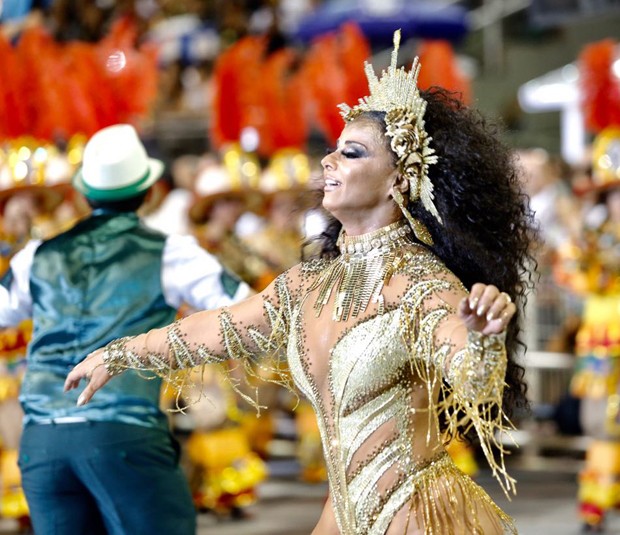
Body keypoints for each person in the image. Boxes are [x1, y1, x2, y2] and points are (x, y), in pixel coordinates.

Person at [66, 32, 533, 534]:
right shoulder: (306, 285)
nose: (328, 161)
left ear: (400, 179)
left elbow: (475, 381)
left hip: (416, 517)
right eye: (332, 150)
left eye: (351, 153)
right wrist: (119, 353)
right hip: (342, 515)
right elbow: (214, 330)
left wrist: (484, 340)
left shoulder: (420, 282)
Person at [0, 123, 252, 535]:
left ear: (82, 195)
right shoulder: (172, 253)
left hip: (43, 443)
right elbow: (247, 310)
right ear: (149, 192)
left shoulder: (36, 256)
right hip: (124, 435)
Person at [553, 127, 620, 533]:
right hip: (602, 347)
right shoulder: (593, 240)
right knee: (601, 427)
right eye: (614, 193)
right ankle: (596, 508)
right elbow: (576, 276)